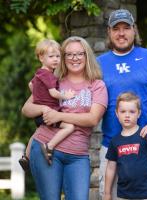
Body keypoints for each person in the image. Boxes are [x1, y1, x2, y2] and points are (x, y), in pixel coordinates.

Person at [97, 9, 147, 200]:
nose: (121, 33)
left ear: (134, 30)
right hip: (112, 147)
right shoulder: (98, 63)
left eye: (126, 28)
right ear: (109, 31)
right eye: (116, 28)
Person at [21, 36, 108, 200]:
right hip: (45, 148)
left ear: (86, 56)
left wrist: (58, 115)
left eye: (79, 54)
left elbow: (92, 119)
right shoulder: (54, 82)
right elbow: (27, 109)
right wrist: (45, 109)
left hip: (78, 155)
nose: (75, 58)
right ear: (63, 57)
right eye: (69, 54)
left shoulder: (97, 85)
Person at [19, 39, 76, 170]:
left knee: (37, 132)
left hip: (39, 113)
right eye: (51, 57)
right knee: (69, 127)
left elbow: (31, 85)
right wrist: (66, 96)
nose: (55, 59)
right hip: (48, 112)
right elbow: (54, 93)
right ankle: (49, 146)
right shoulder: (49, 75)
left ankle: (26, 157)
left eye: (57, 56)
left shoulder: (39, 73)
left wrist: (39, 96)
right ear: (41, 57)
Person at [104, 92, 147, 200]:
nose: (127, 115)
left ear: (139, 113)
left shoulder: (145, 135)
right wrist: (107, 193)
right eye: (123, 111)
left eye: (132, 112)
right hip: (124, 195)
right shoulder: (114, 141)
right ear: (116, 113)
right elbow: (111, 168)